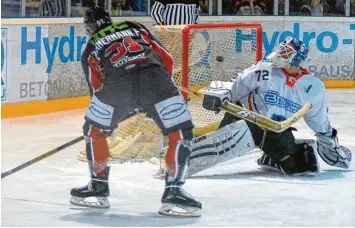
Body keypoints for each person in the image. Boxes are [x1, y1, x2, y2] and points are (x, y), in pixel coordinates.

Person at [69, 5, 202, 217]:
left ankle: (98, 185)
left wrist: (118, 111)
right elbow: (166, 59)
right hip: (155, 79)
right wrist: (156, 94)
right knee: (181, 131)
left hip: (117, 85)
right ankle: (174, 191)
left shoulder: (91, 47)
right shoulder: (134, 26)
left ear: (89, 27)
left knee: (94, 130)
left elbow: (96, 88)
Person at [201, 37, 352, 175]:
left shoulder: (314, 87)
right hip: (244, 120)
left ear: (297, 60)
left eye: (286, 53)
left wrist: (329, 140)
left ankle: (271, 159)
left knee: (300, 166)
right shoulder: (264, 69)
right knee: (213, 150)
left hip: (275, 131)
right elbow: (236, 83)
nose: (280, 54)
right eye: (281, 50)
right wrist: (219, 93)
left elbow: (319, 120)